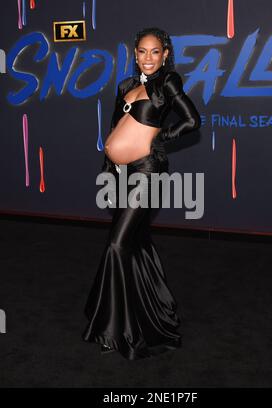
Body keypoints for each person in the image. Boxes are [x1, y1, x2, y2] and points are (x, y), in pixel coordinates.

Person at [82, 27, 201, 360]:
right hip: (120, 174)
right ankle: (157, 307)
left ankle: (116, 329)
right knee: (137, 243)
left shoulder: (168, 83)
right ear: (134, 54)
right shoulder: (125, 86)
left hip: (147, 173)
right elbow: (113, 129)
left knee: (117, 245)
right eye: (142, 52)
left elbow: (193, 120)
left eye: (155, 52)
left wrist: (162, 137)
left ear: (165, 55)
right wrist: (108, 168)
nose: (148, 58)